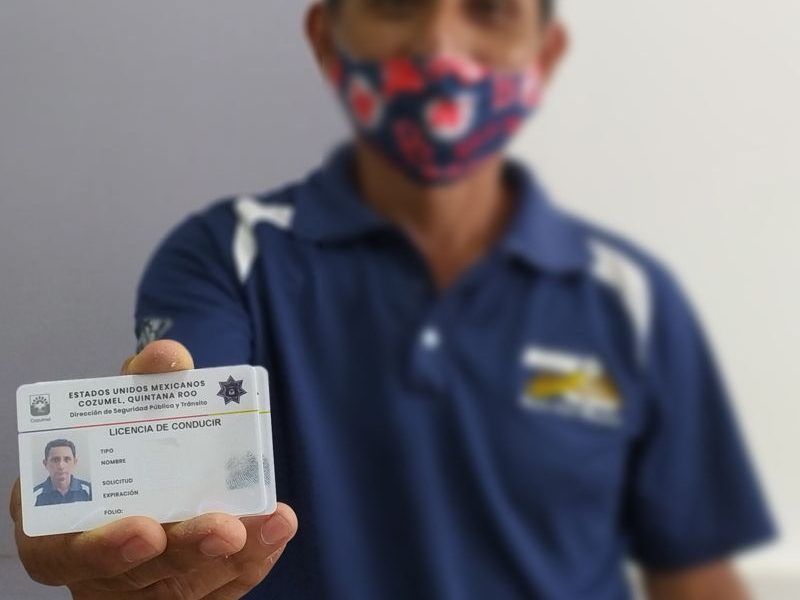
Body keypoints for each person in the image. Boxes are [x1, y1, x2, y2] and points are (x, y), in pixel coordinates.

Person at [10, 1, 776, 598]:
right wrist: (139, 540)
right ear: (327, 39)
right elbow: (186, 478)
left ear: (542, 57)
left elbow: (696, 570)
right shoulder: (226, 257)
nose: (439, 45)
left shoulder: (630, 298)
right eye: (396, 3)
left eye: (489, 9)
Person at [33, 439, 92, 507]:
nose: (61, 466)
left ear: (75, 462)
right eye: (55, 460)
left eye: (67, 459)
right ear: (45, 463)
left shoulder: (90, 491)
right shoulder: (34, 496)